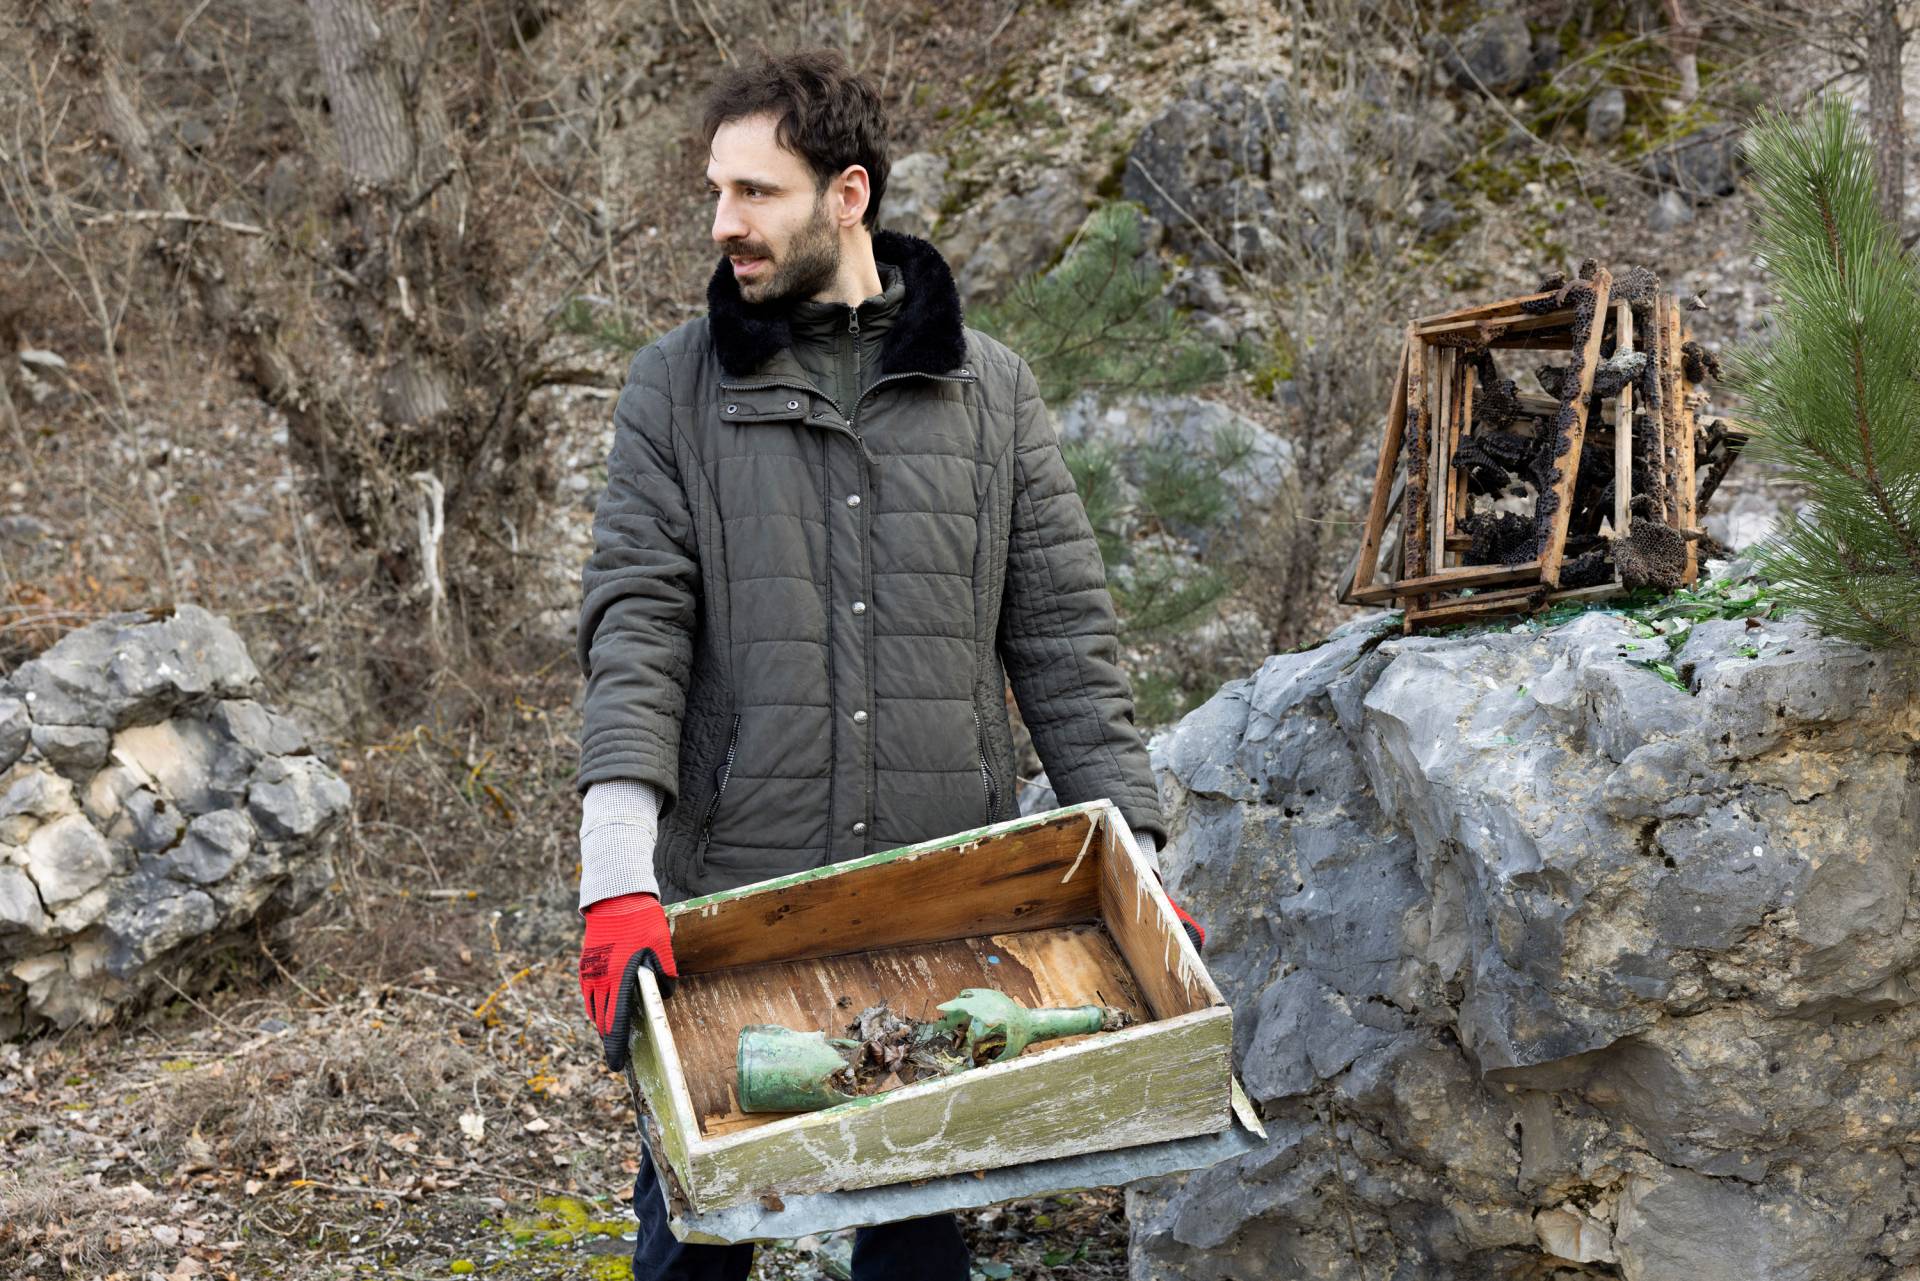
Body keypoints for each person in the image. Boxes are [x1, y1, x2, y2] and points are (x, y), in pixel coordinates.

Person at [573, 48, 1204, 1281]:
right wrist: (614, 879)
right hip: (729, 912)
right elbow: (634, 628)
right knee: (695, 1242)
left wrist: (1143, 867)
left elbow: (1066, 643)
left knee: (915, 1245)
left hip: (933, 907)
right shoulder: (674, 391)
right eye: (717, 191)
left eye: (755, 193)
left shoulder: (991, 395)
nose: (723, 225)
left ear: (846, 195)